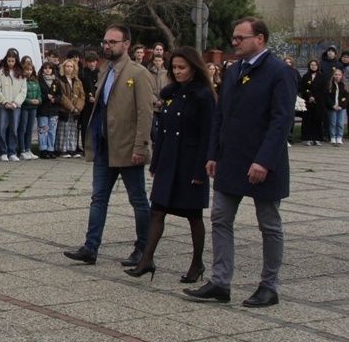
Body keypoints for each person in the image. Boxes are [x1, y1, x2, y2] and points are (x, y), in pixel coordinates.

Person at [184, 17, 297, 307]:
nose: (234, 42)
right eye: (234, 38)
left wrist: (264, 161)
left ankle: (269, 286)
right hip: (230, 160)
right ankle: (221, 282)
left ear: (259, 39)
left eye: (240, 38)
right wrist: (213, 154)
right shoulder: (233, 72)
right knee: (220, 218)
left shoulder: (279, 72)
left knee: (269, 224)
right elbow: (220, 116)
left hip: (263, 162)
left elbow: (281, 121)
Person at [64, 24, 153, 266]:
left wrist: (140, 147)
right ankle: (90, 247)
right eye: (105, 42)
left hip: (127, 148)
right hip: (104, 146)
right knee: (98, 198)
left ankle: (144, 248)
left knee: (138, 199)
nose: (107, 46)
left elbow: (146, 113)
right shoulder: (106, 71)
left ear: (126, 45)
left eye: (113, 42)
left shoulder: (138, 73)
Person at [124, 47, 216, 282]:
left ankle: (197, 264)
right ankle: (146, 260)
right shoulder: (170, 93)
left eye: (182, 67)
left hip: (190, 163)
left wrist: (200, 171)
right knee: (157, 211)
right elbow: (162, 131)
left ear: (194, 69)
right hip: (168, 161)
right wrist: (156, 162)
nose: (177, 71)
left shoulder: (203, 95)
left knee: (193, 216)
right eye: (174, 67)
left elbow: (207, 135)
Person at [0, 49, 27, 162]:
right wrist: (4, 102)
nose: (11, 63)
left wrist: (15, 103)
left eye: (13, 61)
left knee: (14, 128)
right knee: (2, 128)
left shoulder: (21, 74)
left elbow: (23, 91)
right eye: (9, 61)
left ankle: (12, 151)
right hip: (3, 105)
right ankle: (3, 152)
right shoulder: (1, 73)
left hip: (15, 106)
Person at [56, 59, 85, 158]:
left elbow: (82, 95)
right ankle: (62, 150)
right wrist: (71, 107)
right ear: (64, 68)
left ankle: (72, 149)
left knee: (73, 130)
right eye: (67, 66)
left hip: (76, 111)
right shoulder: (60, 80)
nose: (69, 68)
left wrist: (78, 108)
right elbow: (62, 96)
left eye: (71, 66)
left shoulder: (77, 81)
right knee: (64, 129)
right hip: (65, 109)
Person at [36, 61, 63, 159]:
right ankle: (43, 149)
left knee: (52, 131)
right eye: (45, 68)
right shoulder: (39, 80)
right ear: (42, 70)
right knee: (43, 130)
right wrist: (46, 97)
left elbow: (60, 95)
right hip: (43, 109)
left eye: (49, 68)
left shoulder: (56, 81)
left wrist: (55, 99)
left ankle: (51, 149)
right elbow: (37, 94)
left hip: (53, 110)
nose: (48, 70)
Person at [300, 60, 327, 146]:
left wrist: (315, 97)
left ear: (318, 66)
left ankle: (317, 138)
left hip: (318, 102)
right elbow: (302, 88)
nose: (313, 66)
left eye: (315, 65)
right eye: (312, 65)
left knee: (317, 120)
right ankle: (307, 138)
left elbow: (324, 90)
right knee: (307, 120)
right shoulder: (305, 76)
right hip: (308, 101)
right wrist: (309, 96)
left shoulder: (322, 77)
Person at [18, 60, 41, 160]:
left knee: (30, 129)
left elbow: (39, 94)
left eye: (30, 70)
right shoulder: (21, 80)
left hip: (33, 108)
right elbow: (20, 95)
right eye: (26, 70)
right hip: (24, 107)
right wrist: (29, 101)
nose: (28, 72)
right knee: (22, 128)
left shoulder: (35, 81)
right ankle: (22, 150)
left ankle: (28, 149)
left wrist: (38, 100)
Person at [79, 51, 99, 152]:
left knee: (97, 125)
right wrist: (87, 97)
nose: (91, 64)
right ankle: (86, 147)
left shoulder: (100, 73)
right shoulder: (83, 73)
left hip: (97, 103)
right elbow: (80, 89)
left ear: (96, 62)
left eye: (93, 61)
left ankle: (96, 146)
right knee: (85, 125)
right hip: (86, 103)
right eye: (89, 62)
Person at [148, 54, 168, 143]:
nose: (157, 62)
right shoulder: (148, 73)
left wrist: (163, 100)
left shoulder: (166, 74)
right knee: (152, 123)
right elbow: (147, 88)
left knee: (163, 124)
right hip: (153, 104)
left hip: (164, 103)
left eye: (159, 61)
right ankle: (155, 141)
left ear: (162, 61)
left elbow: (169, 87)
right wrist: (155, 100)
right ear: (153, 62)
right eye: (156, 61)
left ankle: (162, 140)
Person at [326, 68, 348, 144]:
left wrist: (341, 106)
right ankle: (332, 137)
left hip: (341, 108)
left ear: (341, 76)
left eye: (339, 75)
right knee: (333, 122)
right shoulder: (330, 85)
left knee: (340, 123)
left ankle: (339, 137)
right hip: (332, 107)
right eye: (336, 75)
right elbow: (327, 97)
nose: (337, 76)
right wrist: (332, 105)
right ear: (333, 75)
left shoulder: (344, 86)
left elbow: (346, 97)